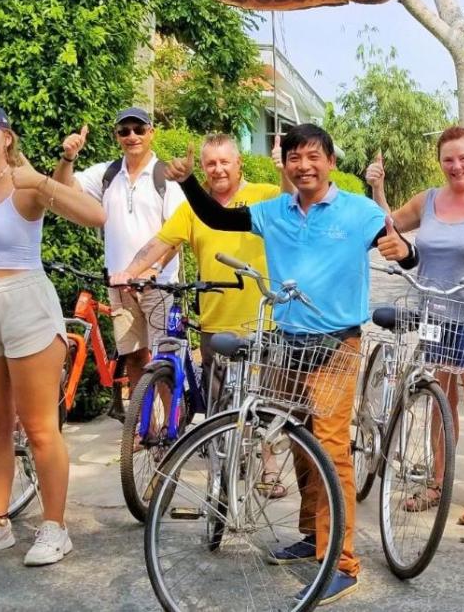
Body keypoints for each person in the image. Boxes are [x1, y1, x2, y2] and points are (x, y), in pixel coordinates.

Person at [163, 123, 417, 605]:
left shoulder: (359, 211)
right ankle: (311, 534)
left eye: (313, 156)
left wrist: (404, 251)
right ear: (287, 164)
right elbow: (218, 218)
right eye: (295, 157)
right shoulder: (274, 211)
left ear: (331, 162)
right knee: (298, 439)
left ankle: (341, 563)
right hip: (287, 343)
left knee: (332, 450)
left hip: (337, 345)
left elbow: (403, 250)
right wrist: (187, 181)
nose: (304, 166)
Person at [0, 101, 106, 566]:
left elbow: (95, 217)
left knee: (39, 427)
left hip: (25, 302)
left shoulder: (26, 184)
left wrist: (43, 180)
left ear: (6, 137)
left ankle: (55, 527)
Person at [110, 132, 287, 494]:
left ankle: (269, 467)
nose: (218, 169)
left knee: (263, 399)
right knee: (218, 403)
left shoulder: (264, 195)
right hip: (214, 321)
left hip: (261, 317)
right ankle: (221, 474)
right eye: (211, 163)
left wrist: (283, 168)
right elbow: (160, 242)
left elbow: (291, 199)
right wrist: (130, 271)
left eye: (224, 162)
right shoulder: (194, 207)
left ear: (239, 163)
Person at [364, 126, 464, 526]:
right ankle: (437, 482)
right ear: (440, 163)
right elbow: (389, 226)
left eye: (463, 157)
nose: (456, 166)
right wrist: (377, 189)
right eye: (448, 159)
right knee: (440, 400)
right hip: (435, 317)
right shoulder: (429, 200)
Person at [53, 107, 185, 405]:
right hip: (120, 286)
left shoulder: (165, 176)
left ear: (151, 133)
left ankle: (170, 425)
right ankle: (141, 423)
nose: (132, 136)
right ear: (117, 136)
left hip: (159, 285)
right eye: (124, 131)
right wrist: (68, 157)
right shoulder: (107, 174)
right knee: (134, 357)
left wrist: (154, 269)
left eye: (139, 129)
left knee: (163, 359)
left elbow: (177, 234)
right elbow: (62, 188)